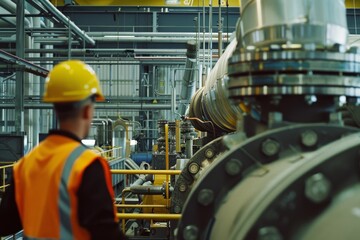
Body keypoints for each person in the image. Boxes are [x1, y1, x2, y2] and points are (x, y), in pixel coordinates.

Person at [0, 60, 127, 239]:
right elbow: (106, 233)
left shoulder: (24, 166)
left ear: (56, 107)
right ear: (87, 110)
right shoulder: (87, 166)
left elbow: (6, 224)